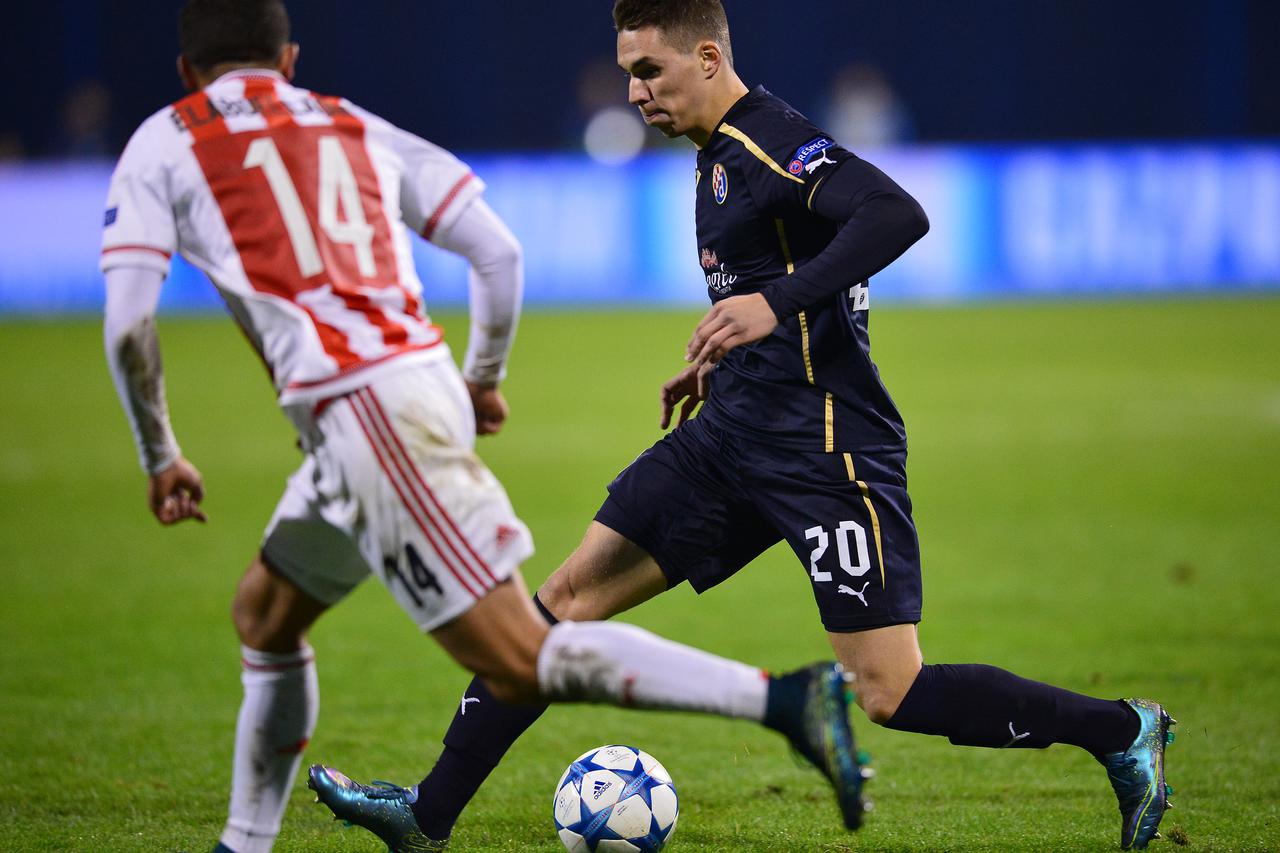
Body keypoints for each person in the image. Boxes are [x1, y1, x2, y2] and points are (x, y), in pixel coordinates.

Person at [313, 1, 1177, 851]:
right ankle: (425, 814)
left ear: (709, 60)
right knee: (558, 606)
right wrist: (722, 352)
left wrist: (773, 304)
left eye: (650, 70)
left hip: (827, 449)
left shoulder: (770, 138)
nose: (637, 92)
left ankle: (1120, 728)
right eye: (627, 74)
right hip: (730, 435)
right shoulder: (716, 154)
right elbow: (777, 276)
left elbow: (895, 214)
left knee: (888, 691)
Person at [101, 2, 871, 851]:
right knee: (266, 615)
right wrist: (481, 381)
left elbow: (130, 325)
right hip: (399, 393)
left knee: (521, 649)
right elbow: (497, 251)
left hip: (364, 409)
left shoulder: (164, 142)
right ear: (286, 60)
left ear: (185, 74)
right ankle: (250, 841)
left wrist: (161, 453)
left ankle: (785, 700)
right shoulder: (348, 124)